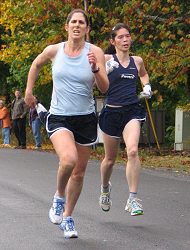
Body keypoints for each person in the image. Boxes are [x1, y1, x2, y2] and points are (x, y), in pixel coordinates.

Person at [24, 9, 109, 239]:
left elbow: (104, 88)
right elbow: (36, 64)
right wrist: (29, 91)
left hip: (85, 118)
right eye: (73, 21)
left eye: (82, 22)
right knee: (69, 159)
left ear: (87, 29)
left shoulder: (96, 52)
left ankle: (68, 217)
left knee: (79, 174)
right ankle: (59, 197)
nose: (77, 25)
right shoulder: (55, 50)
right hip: (60, 116)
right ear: (67, 26)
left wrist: (95, 69)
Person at [99, 23, 152, 216]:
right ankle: (105, 188)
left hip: (131, 112)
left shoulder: (137, 61)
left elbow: (144, 74)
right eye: (120, 37)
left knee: (132, 151)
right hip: (111, 113)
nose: (125, 40)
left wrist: (146, 86)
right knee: (110, 160)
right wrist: (103, 69)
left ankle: (133, 199)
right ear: (113, 42)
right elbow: (91, 76)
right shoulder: (105, 58)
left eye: (127, 36)